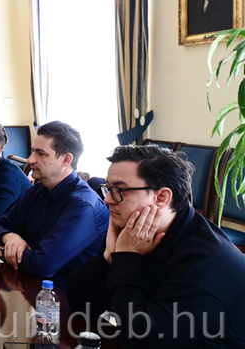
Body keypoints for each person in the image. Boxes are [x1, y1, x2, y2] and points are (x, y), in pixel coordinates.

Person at [66, 145, 245, 347]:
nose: (107, 199)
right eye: (108, 188)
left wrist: (127, 259)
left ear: (161, 198)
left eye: (119, 190)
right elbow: (79, 304)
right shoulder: (131, 231)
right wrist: (108, 258)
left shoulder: (204, 263)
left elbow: (141, 341)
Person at [0, 121, 108, 281]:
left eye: (41, 153)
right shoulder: (38, 189)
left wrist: (2, 251)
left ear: (66, 159)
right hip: (27, 281)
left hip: (63, 293)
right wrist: (9, 237)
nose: (30, 159)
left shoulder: (83, 204)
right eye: (33, 151)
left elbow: (43, 264)